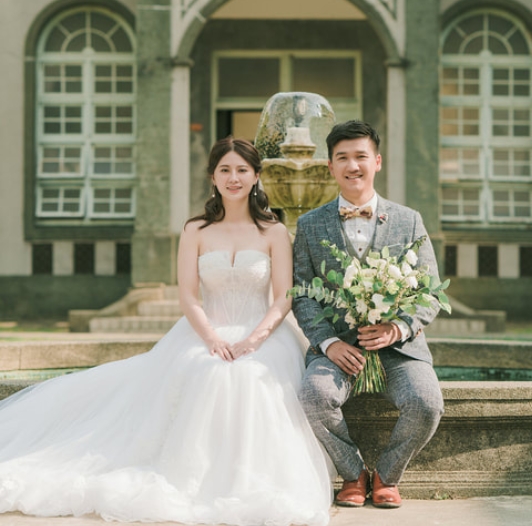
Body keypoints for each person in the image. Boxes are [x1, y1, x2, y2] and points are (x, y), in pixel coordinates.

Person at [0, 137, 333, 525]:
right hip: (206, 330)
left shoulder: (273, 231)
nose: (233, 177)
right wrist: (211, 338)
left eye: (242, 170)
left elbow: (282, 298)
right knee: (202, 369)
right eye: (224, 170)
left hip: (264, 333)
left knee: (249, 378)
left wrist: (254, 339)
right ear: (213, 177)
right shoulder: (195, 229)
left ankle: (238, 480)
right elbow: (189, 296)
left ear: (256, 176)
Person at [293, 119, 444, 508]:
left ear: (377, 161)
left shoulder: (409, 220)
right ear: (330, 167)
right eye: (342, 158)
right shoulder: (309, 226)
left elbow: (429, 292)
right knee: (313, 394)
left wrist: (398, 328)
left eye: (361, 156)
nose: (352, 166)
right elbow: (302, 295)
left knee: (427, 403)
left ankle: (387, 476)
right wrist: (326, 343)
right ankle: (352, 473)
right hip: (339, 349)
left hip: (399, 351)